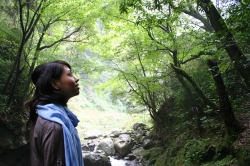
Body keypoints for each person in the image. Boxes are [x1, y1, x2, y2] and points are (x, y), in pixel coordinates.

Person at [24, 60, 84, 166]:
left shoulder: (45, 115)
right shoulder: (53, 125)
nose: (76, 78)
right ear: (54, 84)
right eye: (69, 74)